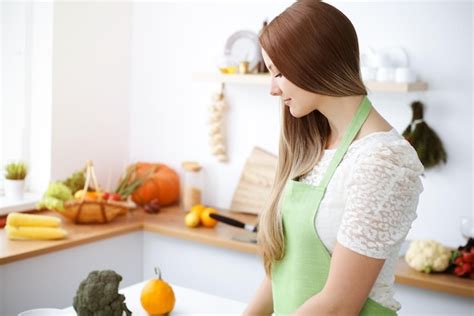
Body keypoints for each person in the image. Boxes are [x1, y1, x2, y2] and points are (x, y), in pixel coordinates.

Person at [243, 1, 424, 315]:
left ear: (313, 62)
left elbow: (339, 306)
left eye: (280, 73)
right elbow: (283, 268)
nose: (272, 89)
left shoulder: (383, 162)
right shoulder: (311, 145)